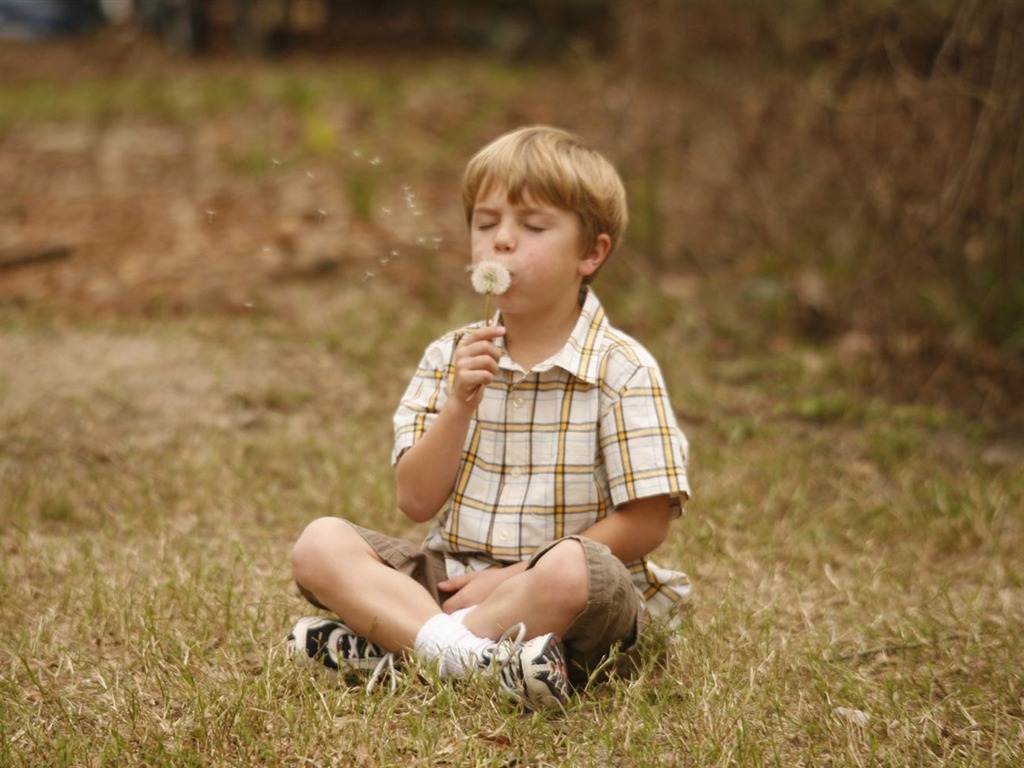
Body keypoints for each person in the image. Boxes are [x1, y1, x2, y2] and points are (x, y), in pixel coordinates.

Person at [287, 125, 691, 709]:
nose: (501, 241)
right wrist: (459, 405)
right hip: (451, 580)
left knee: (575, 570)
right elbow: (415, 501)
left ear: (591, 253)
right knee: (319, 544)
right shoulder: (448, 359)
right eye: (485, 222)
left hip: (562, 594)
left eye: (532, 226)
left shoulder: (622, 369)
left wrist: (511, 576)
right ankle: (476, 660)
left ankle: (403, 647)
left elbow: (648, 522)